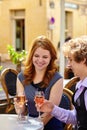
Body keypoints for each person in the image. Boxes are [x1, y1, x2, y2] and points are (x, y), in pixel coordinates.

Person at [36, 36, 87, 130]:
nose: (68, 65)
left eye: (71, 59)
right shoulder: (80, 86)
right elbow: (76, 118)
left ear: (83, 59)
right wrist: (52, 109)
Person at [14, 35, 63, 130]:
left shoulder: (57, 79)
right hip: (30, 122)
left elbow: (50, 112)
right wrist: (19, 108)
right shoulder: (21, 77)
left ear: (51, 58)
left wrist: (36, 126)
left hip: (50, 124)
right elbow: (22, 110)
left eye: (45, 57)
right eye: (36, 56)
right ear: (31, 56)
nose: (40, 60)